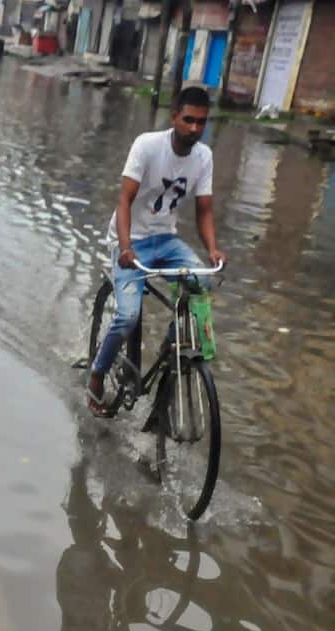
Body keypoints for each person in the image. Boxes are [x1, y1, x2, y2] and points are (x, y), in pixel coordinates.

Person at [88, 86, 228, 416]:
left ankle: (170, 344)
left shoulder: (203, 157)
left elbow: (204, 210)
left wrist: (213, 249)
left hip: (166, 240)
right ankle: (96, 374)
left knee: (203, 284)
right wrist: (124, 247)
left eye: (201, 122)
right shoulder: (148, 146)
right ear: (174, 117)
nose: (195, 128)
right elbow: (124, 199)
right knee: (127, 316)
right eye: (189, 120)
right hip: (131, 241)